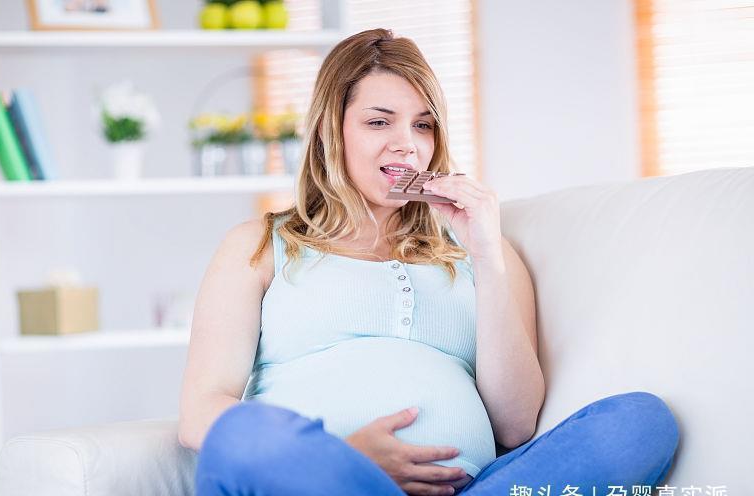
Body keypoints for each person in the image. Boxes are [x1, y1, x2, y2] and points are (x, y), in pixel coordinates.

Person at [178, 28, 680, 496]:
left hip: (472, 487)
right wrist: (346, 457)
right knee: (242, 431)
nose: (407, 143)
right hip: (323, 482)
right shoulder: (261, 244)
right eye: (379, 121)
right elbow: (202, 413)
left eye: (424, 125)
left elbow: (516, 424)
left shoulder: (486, 253)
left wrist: (484, 254)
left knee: (639, 423)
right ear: (332, 131)